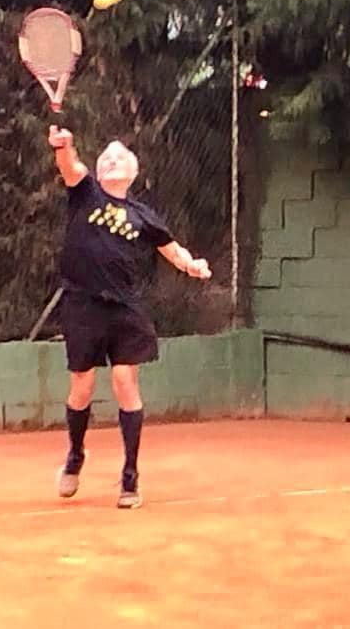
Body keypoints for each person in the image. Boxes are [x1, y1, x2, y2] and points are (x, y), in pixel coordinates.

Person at [47, 124, 211, 509]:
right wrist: (63, 146)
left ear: (133, 173)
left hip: (125, 308)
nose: (113, 159)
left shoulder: (142, 215)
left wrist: (192, 266)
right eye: (107, 157)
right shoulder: (86, 192)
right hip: (83, 304)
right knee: (82, 385)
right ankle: (75, 455)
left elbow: (171, 249)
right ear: (99, 170)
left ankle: (130, 477)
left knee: (125, 380)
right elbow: (70, 166)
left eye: (121, 157)